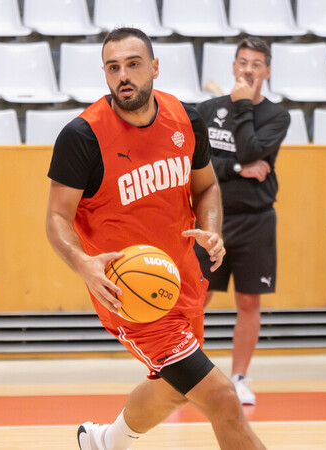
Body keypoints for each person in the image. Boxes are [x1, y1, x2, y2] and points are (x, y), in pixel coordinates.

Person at [46, 27, 266, 450]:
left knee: (174, 388)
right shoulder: (83, 136)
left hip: (182, 280)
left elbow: (206, 188)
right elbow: (57, 217)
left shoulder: (186, 119)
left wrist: (213, 230)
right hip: (129, 294)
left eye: (132, 64)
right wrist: (82, 264)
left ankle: (105, 442)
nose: (123, 75)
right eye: (113, 68)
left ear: (155, 67)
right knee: (222, 398)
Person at [195, 37, 290, 405]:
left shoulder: (277, 117)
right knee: (197, 297)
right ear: (234, 66)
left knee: (249, 301)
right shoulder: (206, 109)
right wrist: (236, 167)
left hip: (256, 221)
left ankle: (238, 378)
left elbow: (252, 148)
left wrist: (242, 107)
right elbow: (197, 163)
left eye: (256, 64)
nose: (248, 69)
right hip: (211, 219)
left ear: (267, 70)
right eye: (242, 62)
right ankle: (182, 377)